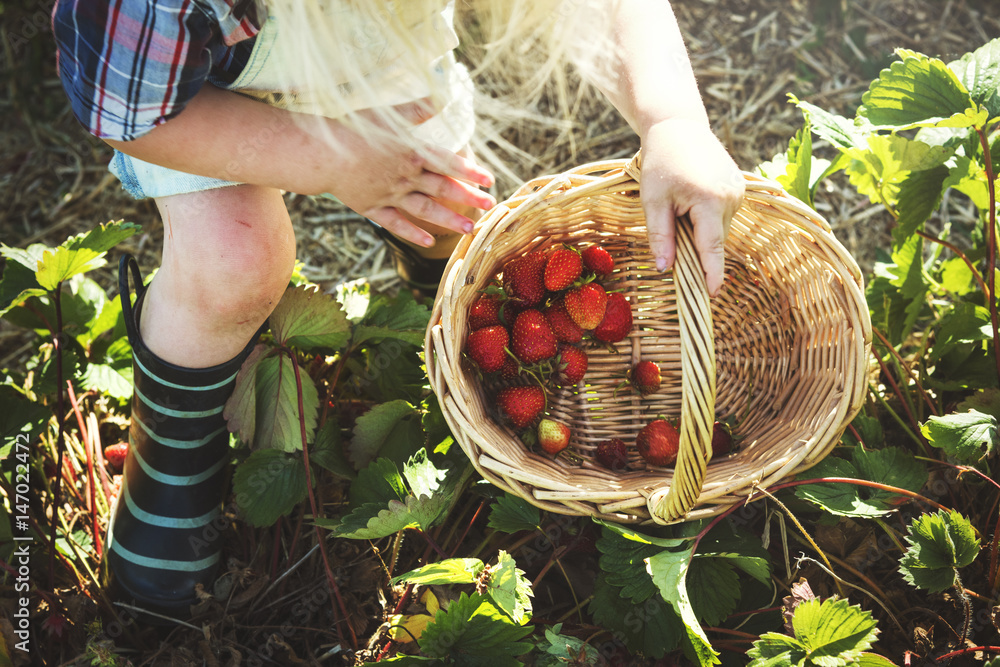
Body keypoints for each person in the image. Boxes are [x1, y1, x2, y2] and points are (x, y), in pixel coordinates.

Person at [52, 0, 744, 615]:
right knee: (234, 263)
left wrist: (672, 120)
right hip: (203, 102)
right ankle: (171, 447)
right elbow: (127, 112)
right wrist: (334, 164)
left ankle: (437, 301)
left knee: (455, 212)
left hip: (376, 62)